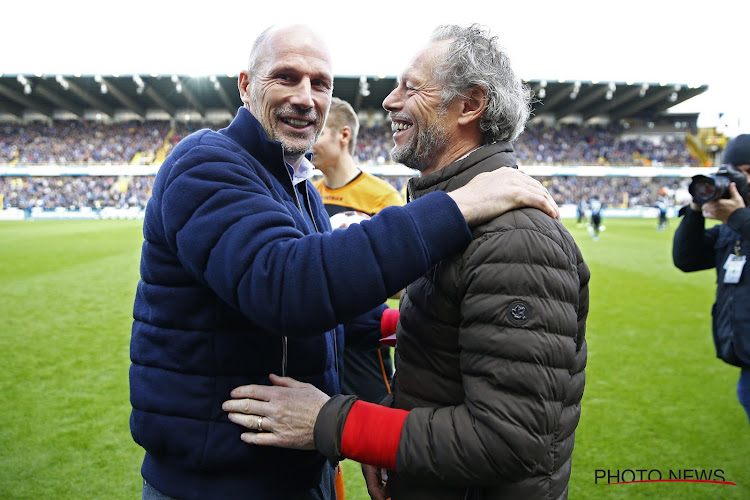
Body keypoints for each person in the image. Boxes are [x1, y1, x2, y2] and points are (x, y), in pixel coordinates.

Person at [129, 24, 561, 500]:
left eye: (320, 84)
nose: (305, 97)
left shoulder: (297, 185)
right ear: (246, 85)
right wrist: (456, 206)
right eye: (286, 77)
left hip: (297, 468)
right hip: (216, 484)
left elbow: (331, 312)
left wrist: (411, 321)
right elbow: (288, 286)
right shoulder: (205, 162)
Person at [311, 96, 405, 500]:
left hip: (366, 352)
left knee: (384, 463)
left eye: (318, 131)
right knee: (317, 451)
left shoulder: (382, 199)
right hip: (315, 344)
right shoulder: (307, 194)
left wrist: (351, 277)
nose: (306, 138)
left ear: (343, 135)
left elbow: (408, 282)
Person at [673, 133, 750, 423]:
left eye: (749, 172)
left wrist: (739, 218)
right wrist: (696, 208)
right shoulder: (732, 228)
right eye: (736, 173)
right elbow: (686, 259)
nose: (743, 181)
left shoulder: (739, 222)